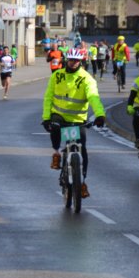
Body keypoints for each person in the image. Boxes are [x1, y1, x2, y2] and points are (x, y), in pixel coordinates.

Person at [42, 48, 106, 198]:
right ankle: (56, 152)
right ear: (66, 60)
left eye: (76, 61)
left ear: (81, 62)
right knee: (54, 128)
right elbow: (48, 97)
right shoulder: (57, 75)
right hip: (59, 115)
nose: (73, 63)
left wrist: (100, 114)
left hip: (78, 119)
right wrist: (46, 117)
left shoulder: (87, 78)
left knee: (82, 150)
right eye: (71, 60)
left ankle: (82, 181)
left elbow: (93, 97)